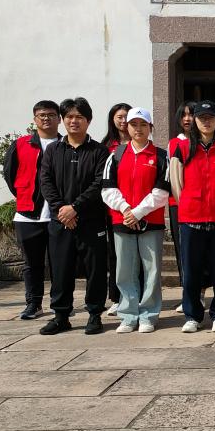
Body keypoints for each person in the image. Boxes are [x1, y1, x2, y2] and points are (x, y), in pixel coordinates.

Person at [38, 97, 110, 336]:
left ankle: (94, 314)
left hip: (91, 221)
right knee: (60, 269)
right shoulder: (53, 150)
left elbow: (99, 183)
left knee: (95, 270)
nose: (73, 121)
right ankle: (61, 316)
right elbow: (46, 182)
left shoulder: (99, 151)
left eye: (79, 117)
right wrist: (62, 209)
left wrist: (75, 208)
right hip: (60, 222)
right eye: (69, 116)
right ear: (62, 120)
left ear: (88, 121)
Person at [169, 100, 215, 333]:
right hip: (191, 218)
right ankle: (193, 315)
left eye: (210, 118)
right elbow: (176, 182)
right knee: (191, 270)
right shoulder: (183, 148)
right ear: (195, 121)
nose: (206, 122)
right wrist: (189, 204)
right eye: (201, 118)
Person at [100, 108, 170, 333]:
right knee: (125, 270)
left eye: (143, 124)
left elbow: (162, 191)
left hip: (151, 222)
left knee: (152, 270)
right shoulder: (116, 155)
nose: (138, 129)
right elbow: (107, 188)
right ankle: (128, 315)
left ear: (150, 128)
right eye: (133, 124)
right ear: (127, 127)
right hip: (122, 221)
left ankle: (149, 315)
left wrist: (138, 212)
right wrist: (125, 209)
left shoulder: (161, 156)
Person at [2, 100, 62, 320]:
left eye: (51, 115)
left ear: (59, 119)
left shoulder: (65, 144)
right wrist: (24, 195)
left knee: (60, 263)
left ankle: (59, 303)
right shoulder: (21, 144)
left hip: (58, 215)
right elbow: (10, 174)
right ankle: (33, 304)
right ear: (35, 119)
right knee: (32, 264)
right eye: (42, 115)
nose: (46, 118)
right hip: (28, 215)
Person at [100, 103, 132, 318]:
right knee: (115, 254)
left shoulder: (141, 143)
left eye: (126, 116)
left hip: (138, 207)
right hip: (113, 207)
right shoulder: (106, 147)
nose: (123, 121)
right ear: (112, 119)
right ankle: (117, 298)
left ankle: (137, 295)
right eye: (119, 117)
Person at [168, 102, 196, 314]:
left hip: (201, 205)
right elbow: (172, 175)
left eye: (191, 114)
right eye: (183, 115)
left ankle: (200, 292)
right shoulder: (174, 144)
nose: (187, 119)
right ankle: (188, 292)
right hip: (178, 203)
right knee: (182, 250)